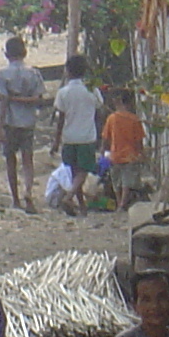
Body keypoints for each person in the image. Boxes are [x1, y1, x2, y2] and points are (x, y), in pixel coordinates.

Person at [0, 38, 47, 212]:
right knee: (27, 159)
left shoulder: (2, 75)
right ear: (24, 53)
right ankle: (28, 190)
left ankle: (15, 199)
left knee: (10, 161)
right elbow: (38, 99)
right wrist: (22, 100)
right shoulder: (33, 74)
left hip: (10, 121)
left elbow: (3, 102)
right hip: (28, 121)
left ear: (6, 54)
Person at [50, 55, 102, 216]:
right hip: (86, 136)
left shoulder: (63, 93)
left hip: (69, 137)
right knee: (83, 171)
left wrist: (56, 141)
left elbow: (60, 120)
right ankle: (72, 197)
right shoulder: (92, 90)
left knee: (74, 172)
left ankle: (79, 204)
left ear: (67, 71)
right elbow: (99, 108)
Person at [101, 89, 147, 204]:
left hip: (115, 155)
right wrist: (141, 153)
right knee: (127, 181)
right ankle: (123, 203)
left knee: (116, 181)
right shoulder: (134, 119)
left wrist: (103, 152)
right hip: (130, 155)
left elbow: (106, 138)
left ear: (117, 102)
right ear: (130, 102)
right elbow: (139, 140)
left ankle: (118, 201)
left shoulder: (112, 118)